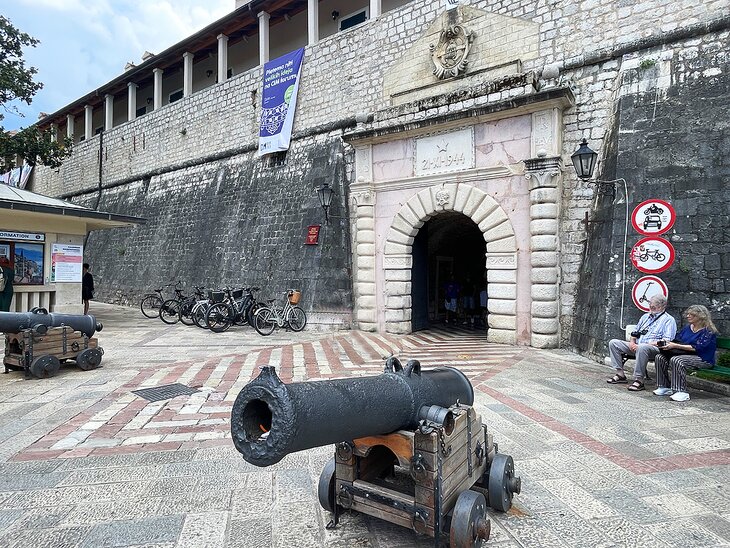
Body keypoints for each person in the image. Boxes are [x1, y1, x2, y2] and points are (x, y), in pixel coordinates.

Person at [607, 294, 677, 391]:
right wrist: (632, 342)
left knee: (642, 347)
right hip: (638, 346)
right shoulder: (645, 317)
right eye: (650, 306)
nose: (651, 308)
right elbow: (635, 332)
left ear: (662, 306)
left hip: (655, 349)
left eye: (654, 307)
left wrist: (646, 345)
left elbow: (666, 341)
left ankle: (639, 379)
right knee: (613, 343)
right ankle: (620, 374)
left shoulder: (669, 320)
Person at [653, 305, 718, 402]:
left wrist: (675, 346)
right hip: (686, 355)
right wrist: (667, 344)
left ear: (700, 316)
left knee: (677, 360)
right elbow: (678, 340)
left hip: (703, 358)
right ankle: (664, 386)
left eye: (691, 314)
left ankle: (681, 391)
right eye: (687, 314)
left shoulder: (708, 331)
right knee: (659, 357)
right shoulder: (687, 328)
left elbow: (698, 348)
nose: (688, 316)